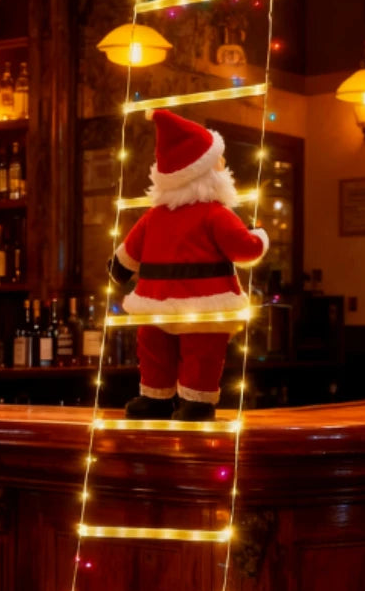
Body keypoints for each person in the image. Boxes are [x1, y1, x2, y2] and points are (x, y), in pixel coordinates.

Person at [108, 109, 268, 421]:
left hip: (154, 303)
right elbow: (245, 249)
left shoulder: (153, 216)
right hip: (205, 304)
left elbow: (128, 252)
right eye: (219, 162)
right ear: (207, 172)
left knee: (154, 350)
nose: (224, 168)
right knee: (202, 353)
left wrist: (119, 269)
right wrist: (260, 236)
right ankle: (195, 401)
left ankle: (155, 397)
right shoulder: (216, 214)